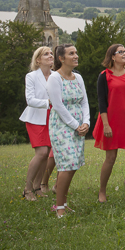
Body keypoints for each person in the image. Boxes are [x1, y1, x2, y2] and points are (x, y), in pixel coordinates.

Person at [92, 44, 125, 202]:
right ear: (112, 56)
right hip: (111, 120)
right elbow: (102, 102)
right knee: (111, 157)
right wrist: (106, 125)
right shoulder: (104, 75)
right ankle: (102, 192)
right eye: (121, 52)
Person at [46, 44, 90, 218]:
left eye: (76, 53)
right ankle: (59, 207)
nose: (76, 56)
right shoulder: (54, 78)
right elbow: (57, 105)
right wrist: (75, 125)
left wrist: (86, 122)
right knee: (67, 164)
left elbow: (84, 102)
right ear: (61, 58)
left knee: (72, 166)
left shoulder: (78, 78)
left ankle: (62, 202)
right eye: (71, 53)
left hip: (78, 125)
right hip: (62, 126)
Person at [19, 46, 54, 201]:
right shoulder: (31, 76)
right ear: (38, 60)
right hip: (36, 118)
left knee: (46, 155)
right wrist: (48, 102)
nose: (50, 56)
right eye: (46, 54)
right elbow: (30, 100)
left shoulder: (56, 76)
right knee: (41, 153)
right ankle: (27, 189)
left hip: (52, 118)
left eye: (51, 53)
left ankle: (37, 187)